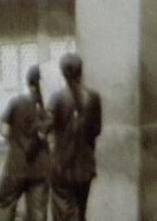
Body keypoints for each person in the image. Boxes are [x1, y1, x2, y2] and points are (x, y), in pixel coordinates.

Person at [0, 65, 49, 221]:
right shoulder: (49, 108)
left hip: (16, 166)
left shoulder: (17, 102)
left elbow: (2, 129)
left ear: (29, 83)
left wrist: (14, 139)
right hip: (41, 169)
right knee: (38, 212)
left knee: (1, 202)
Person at [49, 53, 102, 221]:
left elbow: (45, 127)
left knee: (63, 214)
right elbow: (96, 129)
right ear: (81, 71)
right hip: (85, 165)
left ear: (63, 73)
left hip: (61, 165)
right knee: (81, 212)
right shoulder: (93, 97)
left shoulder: (57, 98)